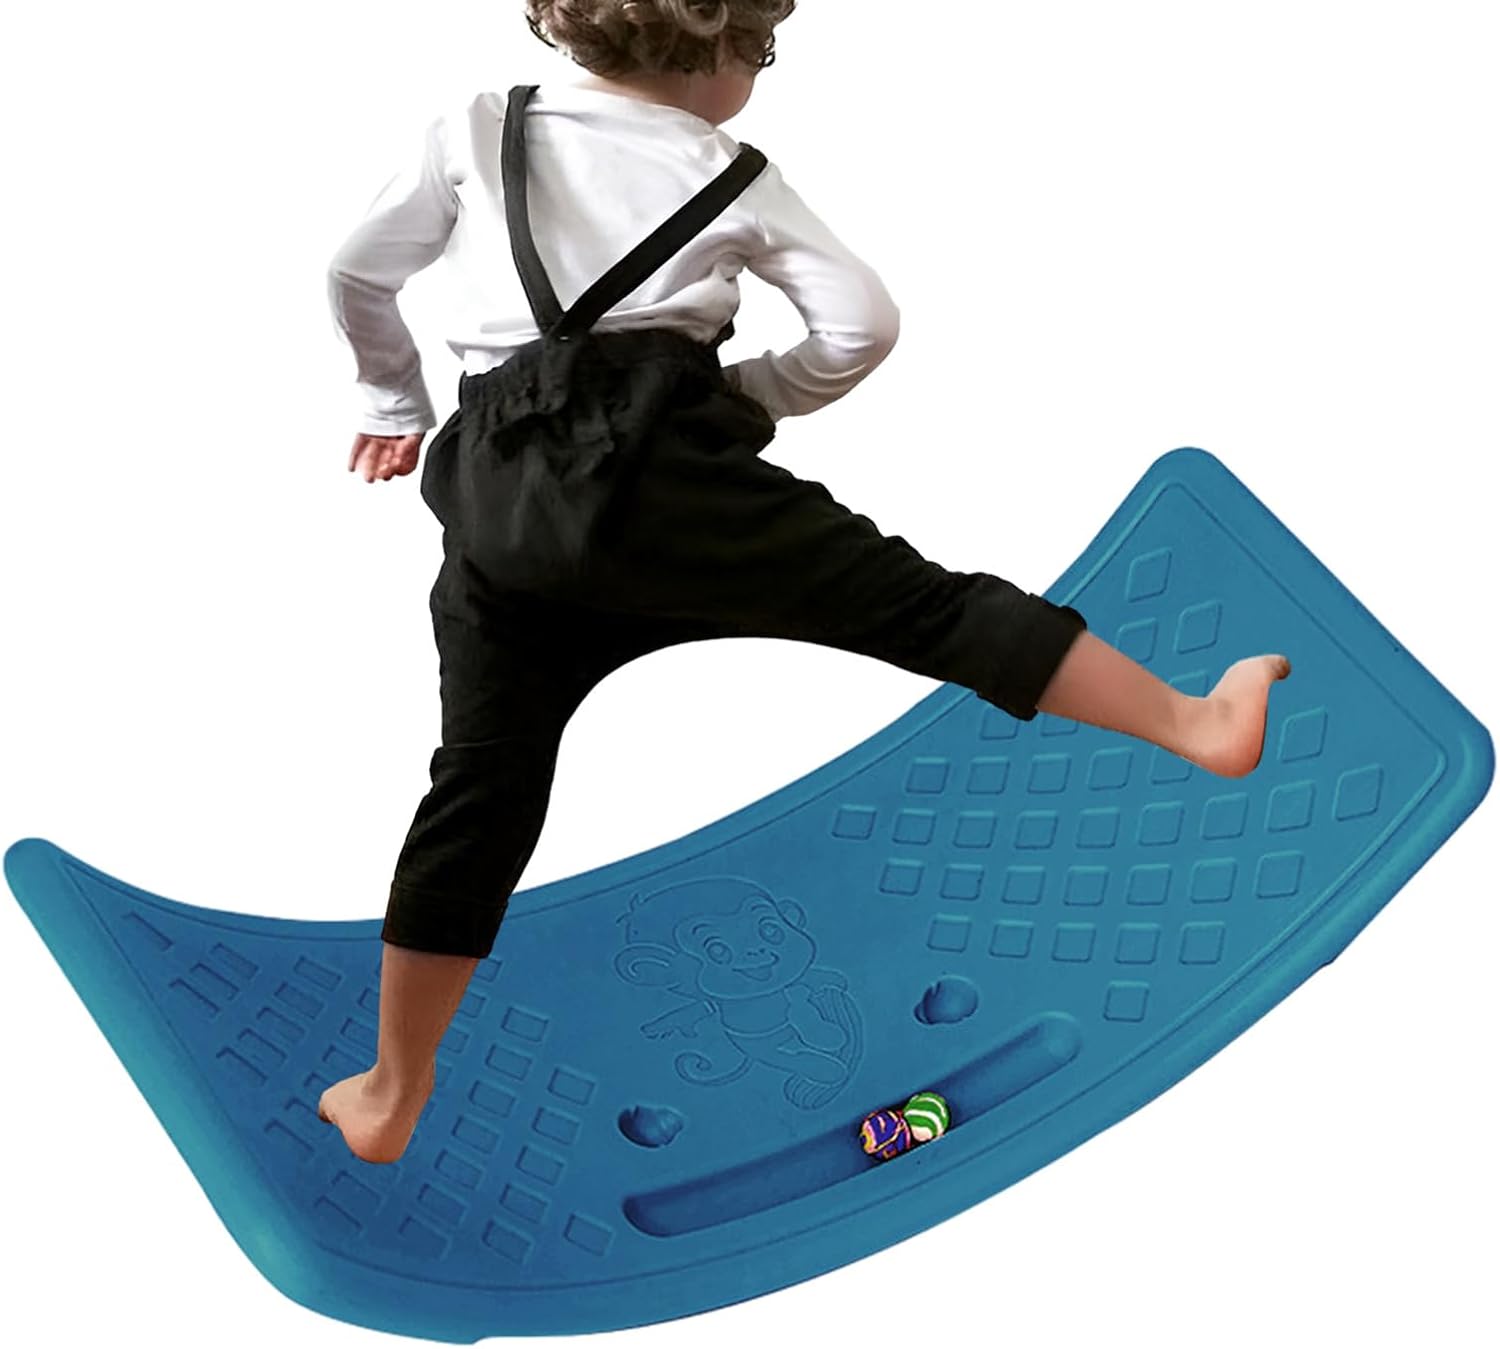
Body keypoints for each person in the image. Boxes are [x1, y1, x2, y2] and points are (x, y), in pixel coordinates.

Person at [318, 0, 1290, 1164]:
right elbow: (861, 325)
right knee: (926, 608)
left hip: (503, 498)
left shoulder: (479, 127)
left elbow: (357, 270)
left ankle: (393, 1089)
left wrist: (392, 399)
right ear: (730, 52)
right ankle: (1197, 723)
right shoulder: (730, 173)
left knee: (482, 784)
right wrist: (747, 398)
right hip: (679, 488)